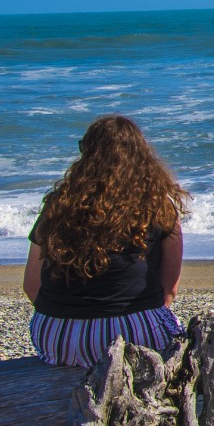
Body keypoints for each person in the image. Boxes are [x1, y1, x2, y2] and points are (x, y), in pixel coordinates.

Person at [22, 115, 187, 367]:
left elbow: (31, 285)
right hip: (131, 336)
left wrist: (74, 318)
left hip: (56, 337)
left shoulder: (59, 205)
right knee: (180, 341)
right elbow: (169, 289)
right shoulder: (156, 207)